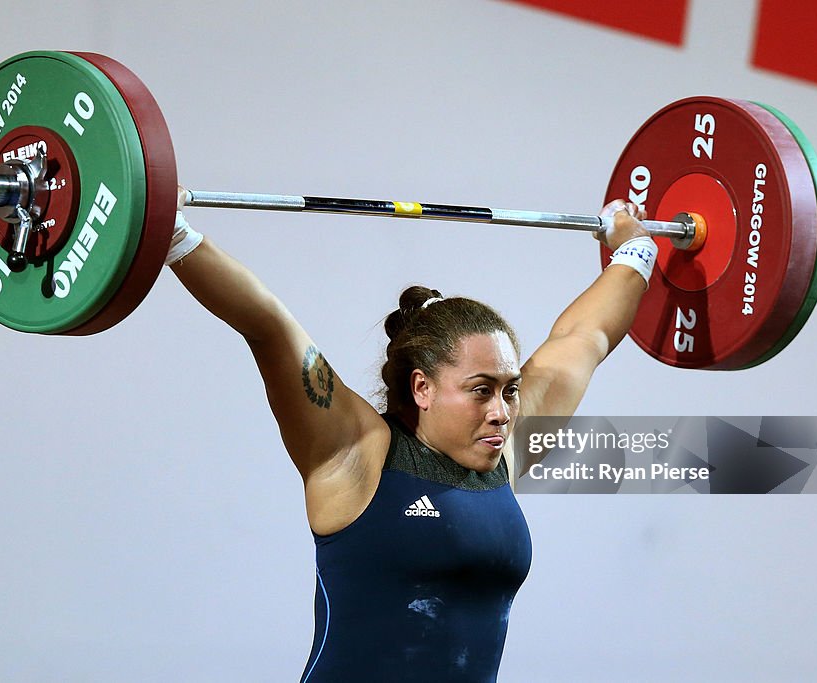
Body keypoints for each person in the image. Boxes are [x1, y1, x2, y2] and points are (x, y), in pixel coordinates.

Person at [166, 188, 654, 682]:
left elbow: (584, 338)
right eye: (480, 390)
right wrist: (170, 232)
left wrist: (635, 249)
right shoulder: (356, 454)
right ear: (422, 387)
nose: (502, 411)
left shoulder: (502, 448)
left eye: (510, 391)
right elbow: (268, 325)